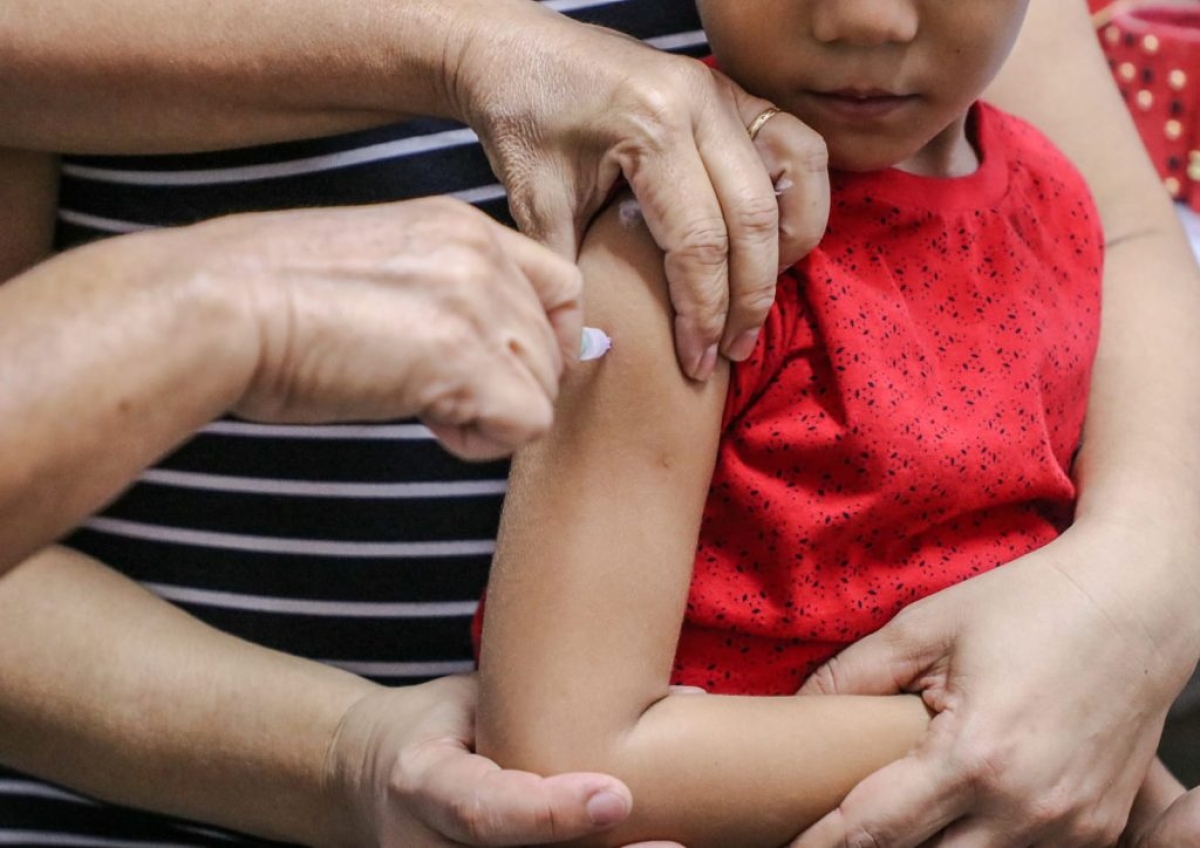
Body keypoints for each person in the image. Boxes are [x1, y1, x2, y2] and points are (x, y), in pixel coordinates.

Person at [0, 1, 1198, 846]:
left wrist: (1122, 610)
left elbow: (1133, 248)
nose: (871, 22)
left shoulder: (1009, 169)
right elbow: (579, 745)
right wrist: (968, 733)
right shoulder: (678, 252)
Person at [475, 2, 1200, 848]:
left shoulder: (1053, 199)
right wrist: (1011, 723)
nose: (867, 19)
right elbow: (563, 754)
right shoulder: (686, 247)